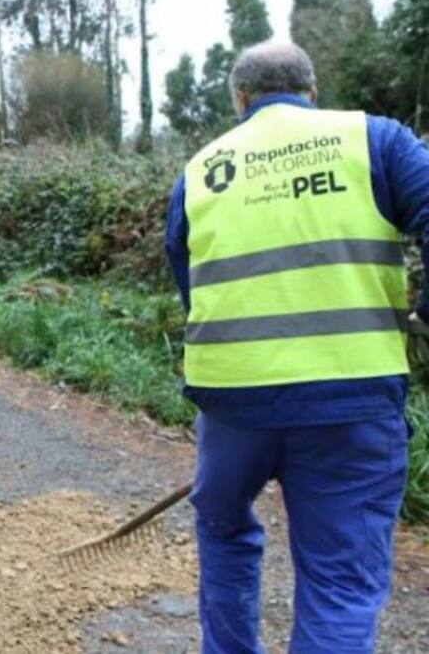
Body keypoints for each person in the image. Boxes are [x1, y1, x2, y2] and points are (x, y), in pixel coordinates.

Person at [166, 41, 429, 653]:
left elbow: (191, 284)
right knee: (337, 583)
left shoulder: (201, 170)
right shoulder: (376, 140)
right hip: (352, 401)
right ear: (314, 90)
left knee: (224, 531)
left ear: (240, 98)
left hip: (232, 407)